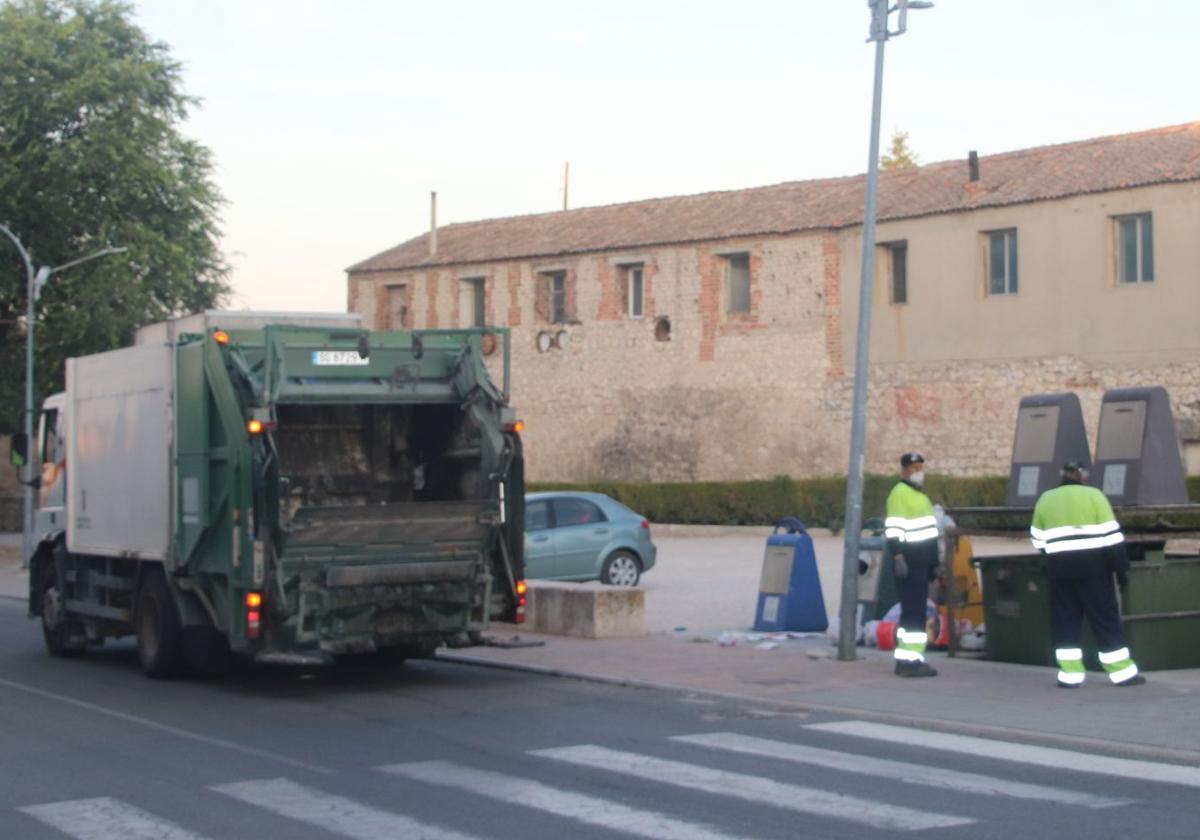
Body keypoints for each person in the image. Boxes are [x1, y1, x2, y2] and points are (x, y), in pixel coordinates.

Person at [1030, 461, 1145, 688]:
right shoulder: (1095, 496)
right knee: (1104, 619)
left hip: (1060, 570)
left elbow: (1037, 539)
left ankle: (1070, 675)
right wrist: (1120, 568)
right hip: (1094, 570)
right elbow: (1112, 538)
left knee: (1065, 621)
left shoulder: (1046, 499)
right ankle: (1122, 673)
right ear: (1081, 475)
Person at [885, 452, 939, 677]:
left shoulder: (920, 496)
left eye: (920, 467)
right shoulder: (900, 494)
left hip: (922, 562)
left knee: (917, 612)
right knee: (912, 613)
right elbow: (894, 529)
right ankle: (910, 661)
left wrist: (934, 563)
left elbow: (929, 533)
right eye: (914, 468)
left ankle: (909, 659)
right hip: (910, 562)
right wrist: (898, 557)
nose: (918, 472)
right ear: (904, 470)